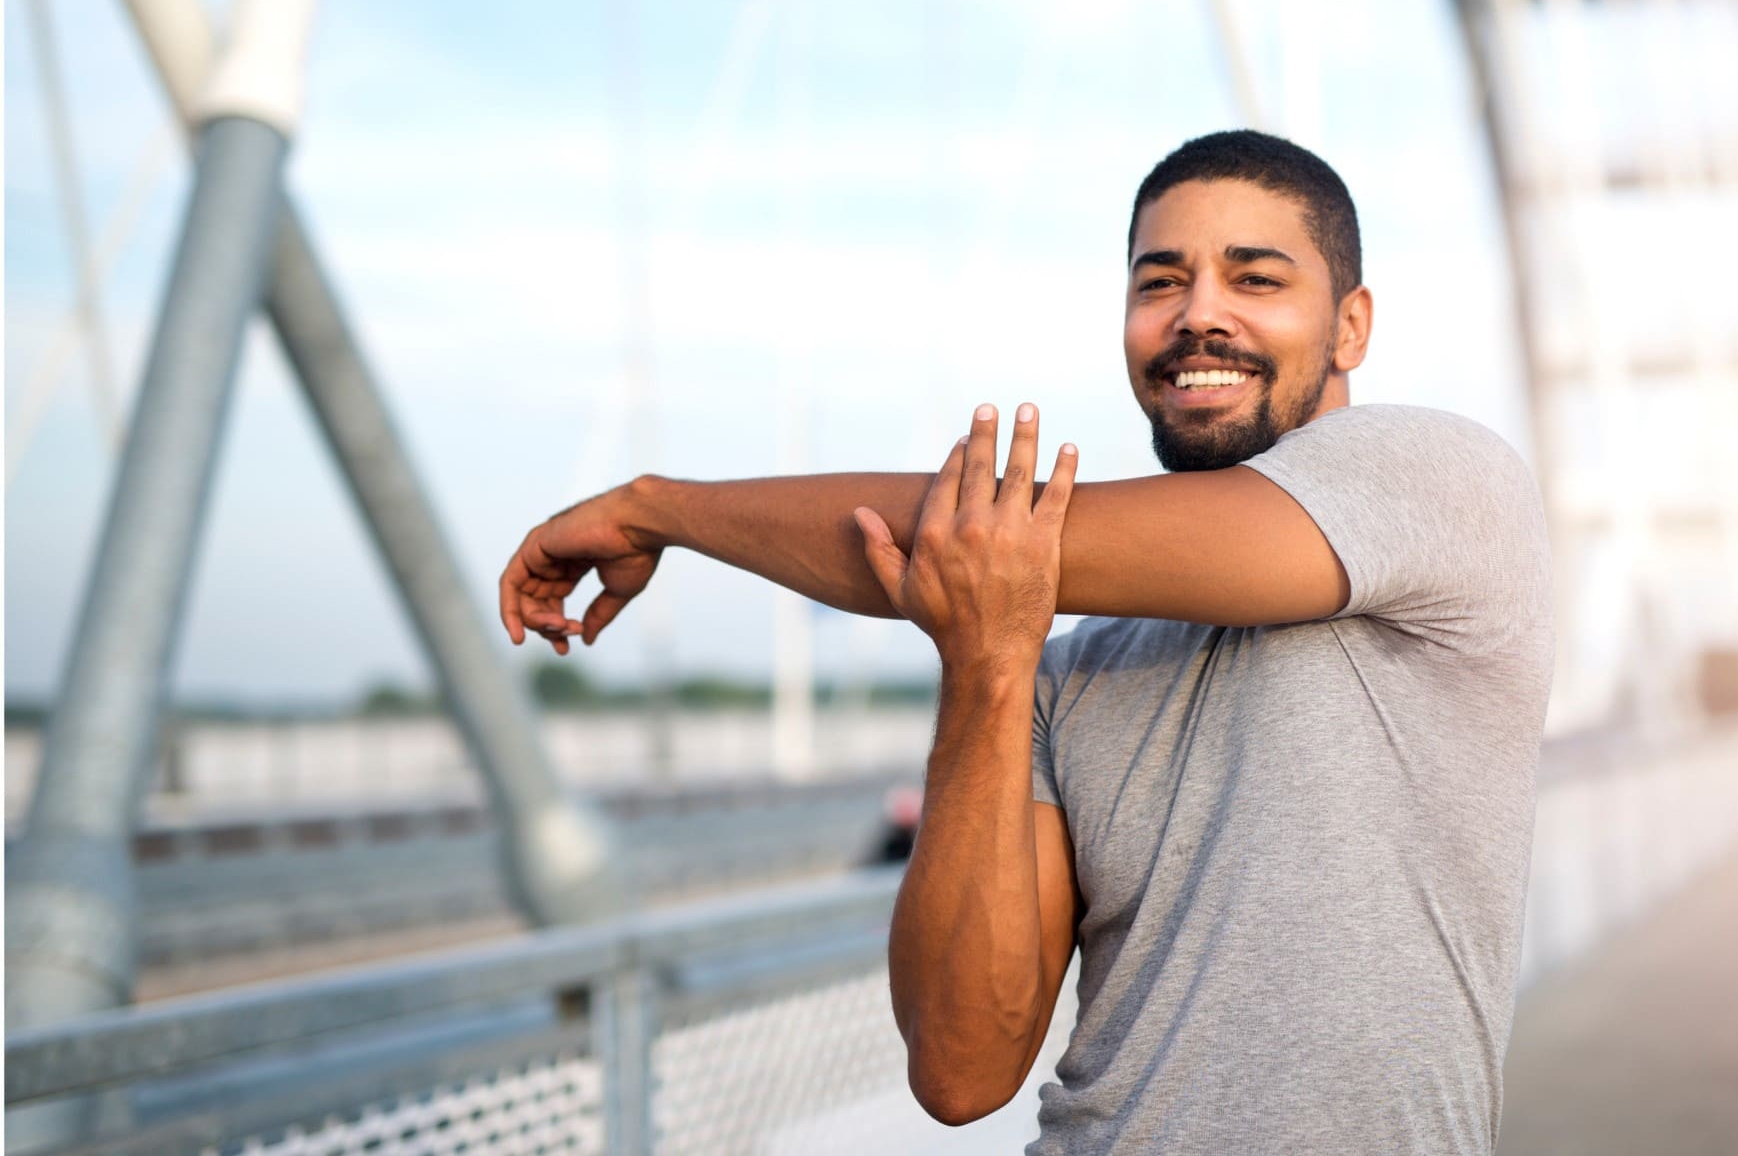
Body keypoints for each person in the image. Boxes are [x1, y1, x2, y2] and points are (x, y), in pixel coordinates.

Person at [497, 129, 1555, 1153]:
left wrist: (655, 510)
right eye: (1159, 282)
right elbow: (961, 1073)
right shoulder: (1066, 666)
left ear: (1352, 326)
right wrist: (986, 669)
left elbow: (986, 539)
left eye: (1256, 279)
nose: (1198, 317)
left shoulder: (1440, 479)